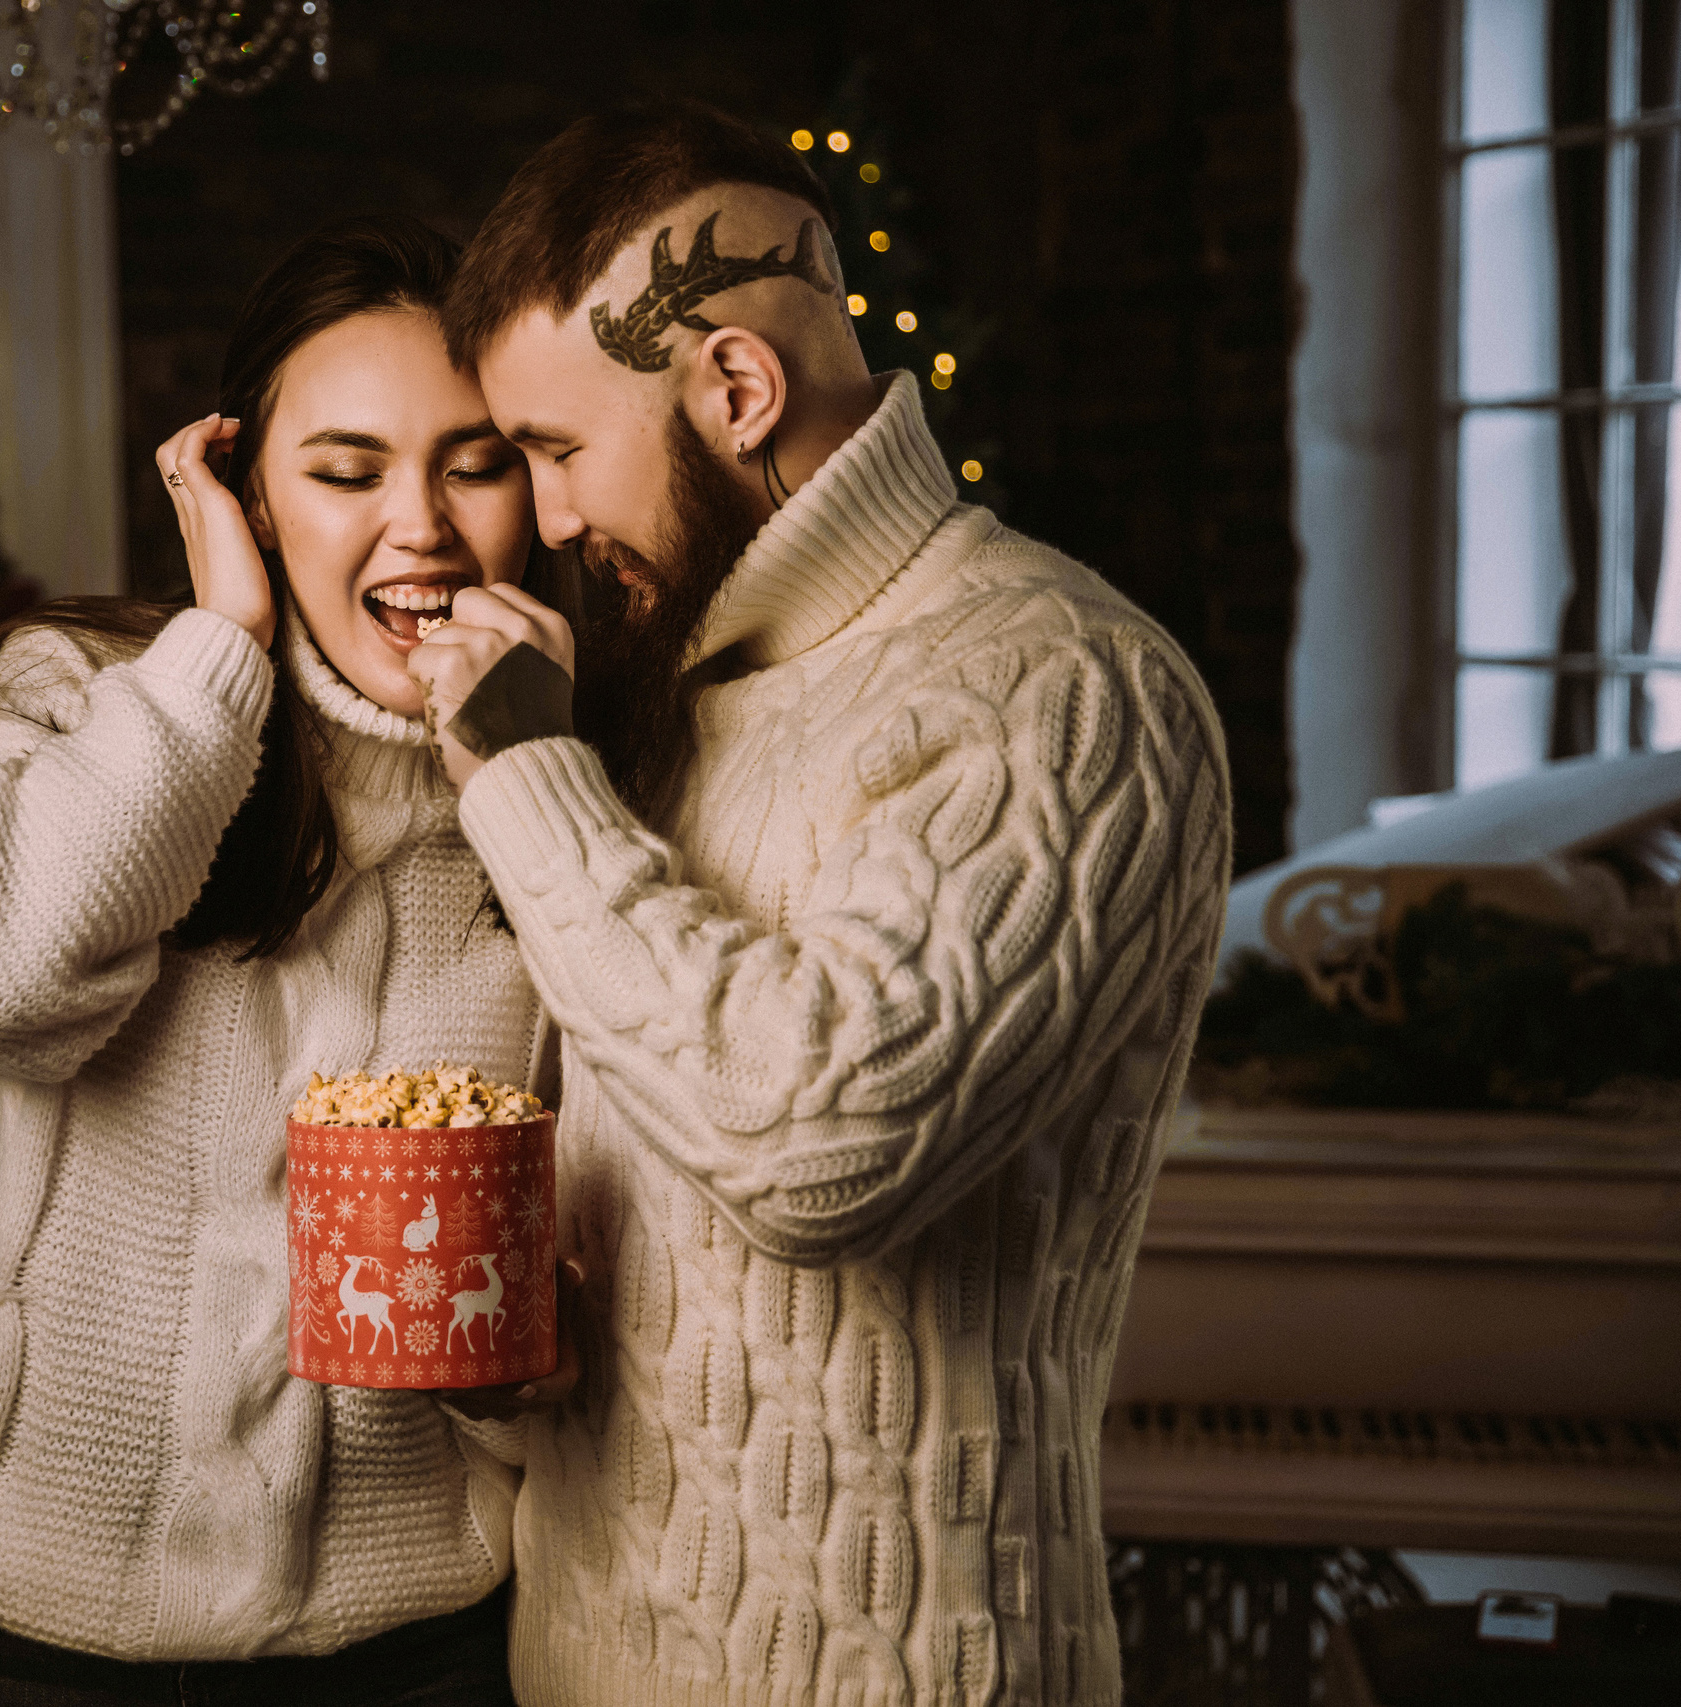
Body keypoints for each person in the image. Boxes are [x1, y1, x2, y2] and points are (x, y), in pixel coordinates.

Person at [405, 104, 1235, 1706]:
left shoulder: (1070, 685)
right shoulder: (662, 692)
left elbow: (815, 1147)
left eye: (560, 450)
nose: (549, 521)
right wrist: (523, 1364)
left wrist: (523, 772)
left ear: (736, 388)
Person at [0, 214, 551, 1706]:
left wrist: (521, 1373)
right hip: (13, 1637)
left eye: (476, 462)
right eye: (346, 471)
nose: (420, 526)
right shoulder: (82, 691)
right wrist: (223, 641)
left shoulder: (563, 801)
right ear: (250, 496)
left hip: (402, 1652)